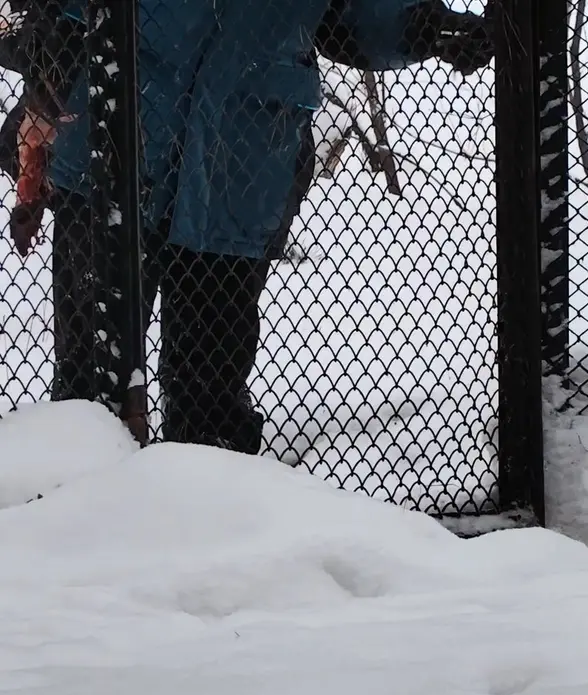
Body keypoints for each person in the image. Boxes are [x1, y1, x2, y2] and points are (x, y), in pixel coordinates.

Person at [0, 0, 493, 453]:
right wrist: (48, 72)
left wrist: (427, 29)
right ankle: (77, 519)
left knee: (210, 398)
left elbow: (355, 15)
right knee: (89, 385)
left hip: (238, 165)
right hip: (112, 154)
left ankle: (213, 523)